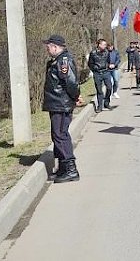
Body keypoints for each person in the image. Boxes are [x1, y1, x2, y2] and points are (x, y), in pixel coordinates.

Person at [42, 35, 82, 183]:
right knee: (56, 135)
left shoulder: (63, 61)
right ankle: (63, 168)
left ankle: (71, 169)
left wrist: (76, 97)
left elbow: (71, 82)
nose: (47, 49)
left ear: (55, 47)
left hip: (61, 103)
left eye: (48, 46)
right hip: (56, 103)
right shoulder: (57, 61)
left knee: (61, 135)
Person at [88, 38, 112, 113]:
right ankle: (99, 106)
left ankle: (106, 102)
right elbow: (90, 64)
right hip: (97, 73)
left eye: (105, 44)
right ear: (99, 45)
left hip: (106, 72)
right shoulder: (93, 53)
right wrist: (94, 68)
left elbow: (108, 61)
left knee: (109, 87)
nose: (105, 46)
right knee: (99, 90)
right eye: (104, 44)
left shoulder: (107, 52)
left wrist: (109, 65)